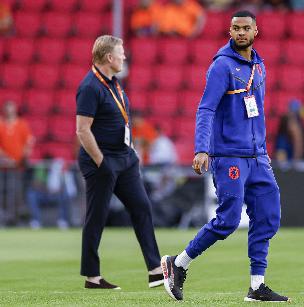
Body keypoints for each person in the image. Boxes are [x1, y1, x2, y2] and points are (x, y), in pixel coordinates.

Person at [160, 11, 290, 303]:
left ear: (256, 31)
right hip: (229, 156)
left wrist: (263, 151)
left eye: (246, 28)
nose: (241, 32)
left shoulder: (259, 66)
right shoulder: (221, 67)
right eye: (236, 28)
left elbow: (256, 111)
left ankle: (257, 286)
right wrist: (201, 148)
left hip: (257, 157)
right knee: (229, 220)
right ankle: (177, 264)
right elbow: (206, 109)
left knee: (268, 216)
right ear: (229, 32)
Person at [76, 35, 163, 290]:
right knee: (97, 217)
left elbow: (121, 121)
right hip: (102, 161)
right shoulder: (90, 87)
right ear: (108, 58)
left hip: (125, 159)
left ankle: (155, 270)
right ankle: (92, 277)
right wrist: (102, 162)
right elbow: (82, 130)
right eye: (121, 52)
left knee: (142, 208)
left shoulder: (113, 83)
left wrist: (131, 151)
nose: (124, 56)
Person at [26, 156, 73, 229]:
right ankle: (36, 221)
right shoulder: (40, 167)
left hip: (56, 195)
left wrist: (58, 190)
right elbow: (35, 184)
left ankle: (62, 221)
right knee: (31, 194)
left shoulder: (58, 168)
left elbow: (64, 186)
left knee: (64, 195)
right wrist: (46, 189)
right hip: (44, 194)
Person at [0, 101, 34, 167]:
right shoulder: (1, 125)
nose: (9, 112)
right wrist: (5, 158)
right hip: (2, 162)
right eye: (7, 110)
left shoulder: (22, 124)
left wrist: (23, 157)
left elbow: (28, 141)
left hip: (19, 162)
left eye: (11, 110)